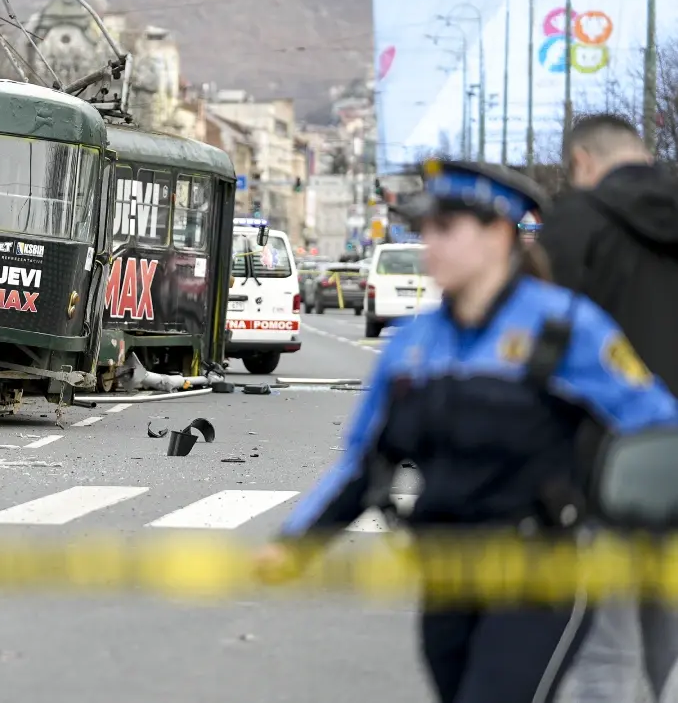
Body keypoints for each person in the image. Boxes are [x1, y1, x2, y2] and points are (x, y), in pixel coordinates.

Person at [253, 159, 678, 703]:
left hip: (541, 572)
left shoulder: (564, 329)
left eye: (446, 228)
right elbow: (363, 462)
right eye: (425, 228)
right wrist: (296, 546)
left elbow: (657, 428)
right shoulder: (413, 343)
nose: (430, 243)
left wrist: (629, 516)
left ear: (500, 234)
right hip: (448, 571)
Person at [537, 114, 678, 703]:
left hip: (608, 468)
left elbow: (539, 347)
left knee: (606, 650)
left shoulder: (574, 225)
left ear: (582, 162)